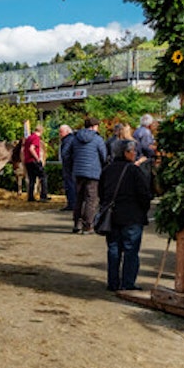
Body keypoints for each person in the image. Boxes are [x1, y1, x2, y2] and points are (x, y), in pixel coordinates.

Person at [98, 139, 152, 291]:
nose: (135, 153)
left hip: (112, 216)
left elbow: (101, 193)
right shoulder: (134, 171)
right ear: (125, 153)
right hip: (132, 216)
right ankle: (128, 283)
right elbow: (144, 194)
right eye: (132, 151)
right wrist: (143, 210)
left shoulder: (107, 170)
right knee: (130, 250)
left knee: (113, 249)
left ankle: (113, 282)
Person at [70, 116, 107, 234]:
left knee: (79, 198)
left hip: (78, 172)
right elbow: (104, 156)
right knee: (91, 199)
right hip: (93, 172)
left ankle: (77, 224)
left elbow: (68, 154)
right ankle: (88, 226)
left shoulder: (75, 138)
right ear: (94, 126)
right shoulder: (98, 139)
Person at [22, 123, 49, 202]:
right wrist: (37, 158)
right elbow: (31, 148)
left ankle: (30, 196)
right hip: (33, 161)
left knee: (32, 179)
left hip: (27, 161)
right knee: (43, 177)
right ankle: (43, 196)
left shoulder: (29, 138)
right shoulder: (36, 138)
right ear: (41, 131)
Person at [58, 124, 76, 211]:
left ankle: (72, 203)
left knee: (70, 184)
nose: (60, 134)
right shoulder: (72, 139)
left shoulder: (68, 140)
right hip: (73, 166)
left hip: (69, 166)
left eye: (61, 132)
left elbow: (65, 154)